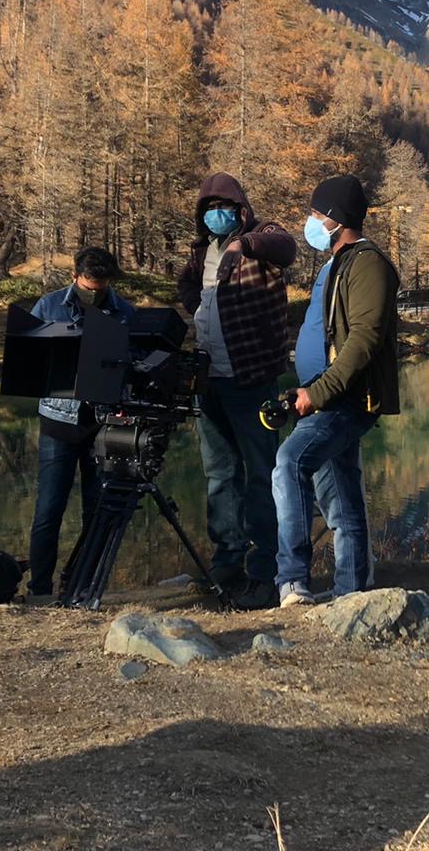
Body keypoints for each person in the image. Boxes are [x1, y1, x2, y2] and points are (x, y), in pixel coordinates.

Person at [272, 174, 399, 607]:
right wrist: (305, 390)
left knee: (289, 462)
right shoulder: (337, 264)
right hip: (322, 395)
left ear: (336, 218)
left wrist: (319, 392)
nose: (310, 222)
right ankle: (351, 589)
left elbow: (364, 339)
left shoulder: (368, 265)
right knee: (341, 497)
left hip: (343, 399)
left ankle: (292, 580)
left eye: (315, 214)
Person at [175, 173, 297, 610]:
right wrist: (198, 306)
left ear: (240, 209)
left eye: (222, 206)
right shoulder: (200, 251)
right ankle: (227, 562)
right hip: (210, 382)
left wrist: (241, 245)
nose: (215, 213)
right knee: (219, 475)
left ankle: (267, 570)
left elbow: (287, 247)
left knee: (262, 475)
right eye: (208, 208)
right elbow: (185, 284)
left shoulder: (262, 236)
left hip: (252, 378)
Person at [25, 246, 135, 601]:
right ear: (75, 276)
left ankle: (82, 586)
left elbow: (134, 366)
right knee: (49, 509)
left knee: (97, 509)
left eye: (102, 287)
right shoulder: (49, 306)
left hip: (102, 424)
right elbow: (31, 362)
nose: (95, 293)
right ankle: (39, 589)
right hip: (58, 421)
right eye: (89, 286)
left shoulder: (125, 312)